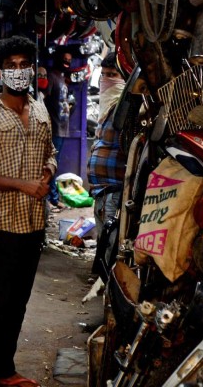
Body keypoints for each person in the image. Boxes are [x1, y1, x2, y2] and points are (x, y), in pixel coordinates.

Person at [0, 35, 57, 387]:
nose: (18, 72)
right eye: (11, 67)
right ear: (0, 72)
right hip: (1, 222)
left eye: (23, 66)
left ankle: (6, 368)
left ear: (32, 69)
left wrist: (47, 171)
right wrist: (23, 185)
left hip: (34, 223)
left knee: (18, 302)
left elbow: (50, 152)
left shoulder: (42, 110)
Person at [86, 52, 127, 273]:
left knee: (111, 241)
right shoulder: (109, 108)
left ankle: (110, 284)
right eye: (104, 75)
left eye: (113, 75)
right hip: (101, 190)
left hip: (114, 187)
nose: (107, 80)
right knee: (104, 238)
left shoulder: (126, 110)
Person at [43, 49, 72, 212]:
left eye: (69, 59)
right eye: (65, 58)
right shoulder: (52, 77)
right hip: (54, 128)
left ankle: (52, 198)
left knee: (55, 163)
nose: (67, 62)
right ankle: (51, 198)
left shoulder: (62, 78)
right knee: (51, 163)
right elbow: (44, 98)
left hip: (62, 128)